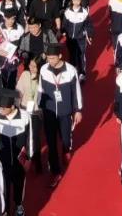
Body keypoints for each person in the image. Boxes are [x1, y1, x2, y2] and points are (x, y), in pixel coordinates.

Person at [39, 43, 82, 186]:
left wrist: (78, 110)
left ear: (60, 56)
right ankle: (55, 172)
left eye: (52, 58)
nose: (49, 61)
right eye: (48, 58)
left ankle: (65, 149)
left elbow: (76, 91)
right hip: (49, 111)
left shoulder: (70, 71)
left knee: (65, 138)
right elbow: (40, 89)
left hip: (65, 111)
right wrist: (39, 106)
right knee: (51, 142)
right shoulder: (44, 70)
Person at [0, 90, 31, 215]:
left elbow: (31, 138)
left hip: (19, 158)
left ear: (12, 107)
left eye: (3, 108)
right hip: (2, 157)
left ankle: (18, 205)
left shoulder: (25, 116)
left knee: (19, 183)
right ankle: (5, 210)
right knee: (3, 186)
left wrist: (29, 157)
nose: (0, 110)